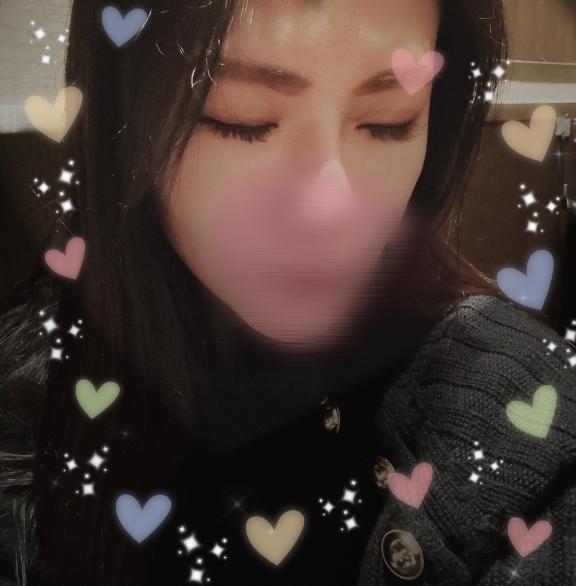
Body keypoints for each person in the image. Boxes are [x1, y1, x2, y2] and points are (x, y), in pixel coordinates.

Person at [0, 0, 574, 584]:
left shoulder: (519, 414)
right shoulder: (30, 394)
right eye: (242, 119)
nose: (331, 210)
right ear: (123, 119)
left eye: (389, 122)